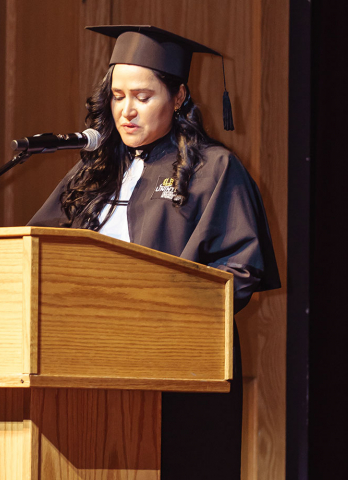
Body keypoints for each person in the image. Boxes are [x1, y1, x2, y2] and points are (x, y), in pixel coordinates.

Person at [28, 25, 281, 479]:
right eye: (118, 96)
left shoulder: (214, 169)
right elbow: (40, 250)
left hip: (178, 361)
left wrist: (161, 305)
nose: (126, 111)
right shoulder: (94, 168)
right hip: (81, 357)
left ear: (179, 96)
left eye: (143, 97)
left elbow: (241, 270)